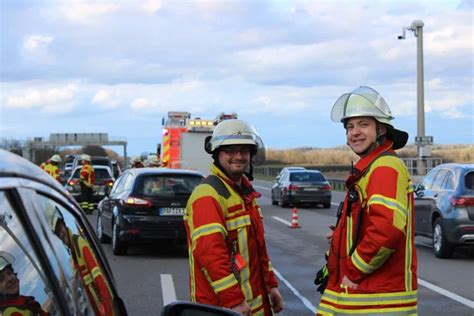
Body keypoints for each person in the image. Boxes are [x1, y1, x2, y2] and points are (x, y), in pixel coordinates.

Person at [315, 86, 417, 315]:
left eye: (363, 124)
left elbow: (386, 230)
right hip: (366, 299)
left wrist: (353, 271)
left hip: (374, 300)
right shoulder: (371, 168)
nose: (355, 132)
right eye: (350, 127)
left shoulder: (385, 167)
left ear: (381, 129)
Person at [184, 119, 283, 316]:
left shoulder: (244, 194)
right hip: (221, 309)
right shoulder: (208, 195)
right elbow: (211, 256)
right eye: (230, 150)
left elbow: (259, 251)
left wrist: (271, 285)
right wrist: (234, 301)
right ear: (217, 153)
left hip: (253, 306)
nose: (238, 156)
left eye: (244, 151)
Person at [45, 205, 114, 316]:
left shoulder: (79, 244)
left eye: (60, 227)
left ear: (64, 223)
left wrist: (107, 310)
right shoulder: (71, 250)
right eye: (57, 232)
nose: (61, 233)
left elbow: (99, 279)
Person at [0, 251, 48, 315]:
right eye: (1, 279)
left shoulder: (23, 302)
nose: (9, 278)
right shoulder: (11, 313)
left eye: (9, 273)